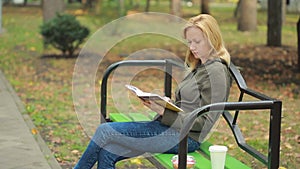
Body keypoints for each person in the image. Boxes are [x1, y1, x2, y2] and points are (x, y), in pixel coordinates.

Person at [74, 14, 232, 169]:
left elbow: (204, 123)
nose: (191, 47)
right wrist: (167, 104)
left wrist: (164, 111)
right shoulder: (200, 67)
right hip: (170, 129)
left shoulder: (216, 71)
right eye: (189, 42)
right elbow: (189, 105)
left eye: (197, 41)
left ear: (212, 39)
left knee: (105, 131)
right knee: (108, 152)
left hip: (185, 138)